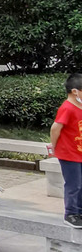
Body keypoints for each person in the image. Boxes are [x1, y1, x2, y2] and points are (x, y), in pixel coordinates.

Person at [50, 71, 82, 227]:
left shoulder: (79, 106)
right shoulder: (67, 108)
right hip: (69, 154)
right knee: (74, 184)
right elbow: (55, 128)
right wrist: (54, 146)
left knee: (80, 184)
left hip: (79, 152)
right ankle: (70, 213)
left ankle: (79, 211)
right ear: (75, 91)